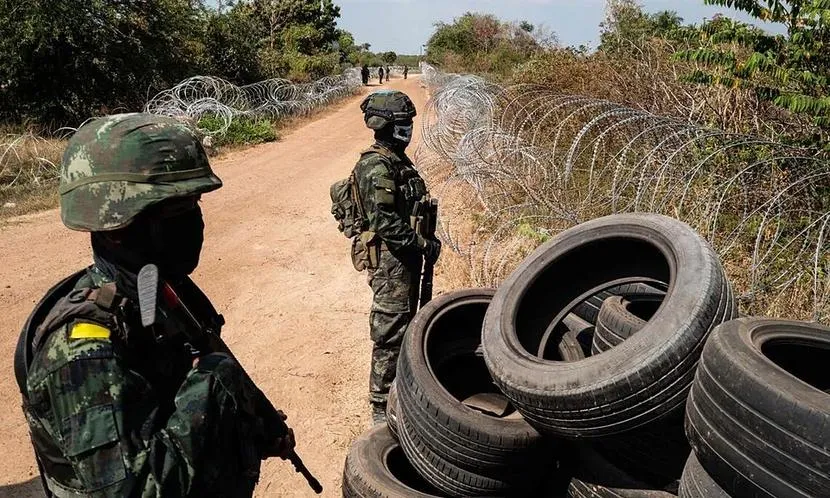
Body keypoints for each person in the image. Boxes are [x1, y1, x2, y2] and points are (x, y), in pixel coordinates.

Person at [15, 113, 296, 497]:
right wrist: (216, 383)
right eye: (177, 210)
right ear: (118, 224)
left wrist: (247, 425)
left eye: (194, 203)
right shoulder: (83, 350)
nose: (195, 222)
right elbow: (133, 491)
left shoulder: (159, 292)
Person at [352, 91, 441, 423]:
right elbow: (384, 222)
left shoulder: (397, 160)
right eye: (403, 124)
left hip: (405, 258)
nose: (408, 129)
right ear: (385, 126)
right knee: (390, 330)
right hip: (392, 261)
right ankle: (380, 408)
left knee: (406, 325)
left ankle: (400, 393)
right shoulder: (375, 165)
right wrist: (423, 245)